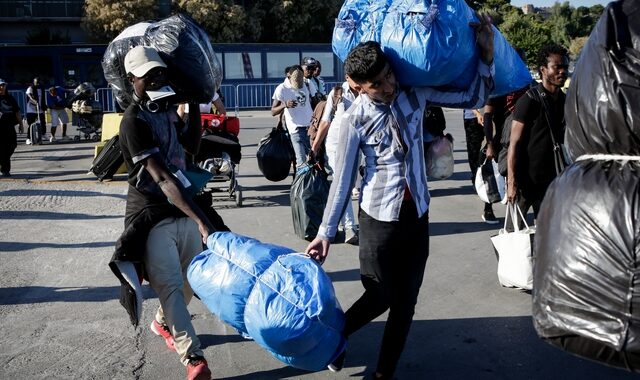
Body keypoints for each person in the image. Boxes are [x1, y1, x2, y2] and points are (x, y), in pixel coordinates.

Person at [305, 14, 495, 379]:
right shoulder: (352, 120)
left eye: (390, 74)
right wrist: (326, 233)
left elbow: (474, 95)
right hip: (378, 218)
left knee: (406, 302)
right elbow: (343, 180)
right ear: (356, 85)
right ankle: (332, 337)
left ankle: (383, 373)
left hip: (417, 213)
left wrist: (485, 56)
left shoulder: (414, 92)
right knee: (380, 295)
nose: (389, 85)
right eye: (377, 83)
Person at [115, 46, 215, 380]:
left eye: (159, 72)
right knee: (171, 285)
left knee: (192, 279)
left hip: (181, 207)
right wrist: (201, 220)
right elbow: (161, 176)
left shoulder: (166, 108)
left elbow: (191, 149)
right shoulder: (132, 121)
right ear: (132, 80)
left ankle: (162, 322)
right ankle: (194, 358)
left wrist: (197, 103)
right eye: (148, 75)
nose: (156, 78)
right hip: (151, 215)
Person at [506, 44, 569, 224]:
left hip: (552, 181)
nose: (562, 71)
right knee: (514, 236)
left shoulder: (566, 101)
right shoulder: (529, 101)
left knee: (549, 236)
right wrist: (512, 183)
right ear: (543, 69)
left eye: (564, 67)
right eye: (557, 67)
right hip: (525, 182)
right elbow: (514, 144)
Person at [310, 80, 360, 245]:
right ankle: (349, 227)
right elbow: (325, 121)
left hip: (358, 143)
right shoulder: (338, 92)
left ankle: (341, 222)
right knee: (342, 183)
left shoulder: (368, 90)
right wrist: (315, 146)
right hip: (336, 143)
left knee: (351, 183)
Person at [271, 65, 313, 168]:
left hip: (311, 127)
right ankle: (301, 183)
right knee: (301, 162)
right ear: (288, 76)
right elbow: (273, 111)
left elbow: (315, 102)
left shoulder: (307, 83)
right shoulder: (282, 88)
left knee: (313, 159)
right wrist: (285, 105)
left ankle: (311, 183)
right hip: (295, 129)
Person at [463, 108, 499, 223]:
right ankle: (477, 178)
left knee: (489, 159)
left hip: (492, 117)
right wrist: (477, 113)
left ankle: (488, 206)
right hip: (472, 118)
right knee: (474, 156)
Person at [0, 78, 22, 177]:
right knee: (3, 148)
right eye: (0, 85)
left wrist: (21, 124)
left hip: (9, 126)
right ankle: (5, 170)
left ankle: (3, 161)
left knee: (12, 145)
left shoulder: (10, 98)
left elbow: (17, 112)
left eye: (3, 85)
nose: (2, 87)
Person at [25, 76, 47, 145]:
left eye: (39, 83)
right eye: (36, 83)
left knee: (43, 123)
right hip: (31, 109)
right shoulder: (30, 88)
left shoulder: (41, 89)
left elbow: (42, 99)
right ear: (33, 82)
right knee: (31, 124)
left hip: (39, 109)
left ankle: (43, 134)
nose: (38, 84)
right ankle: (28, 138)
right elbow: (29, 96)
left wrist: (43, 107)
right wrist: (34, 101)